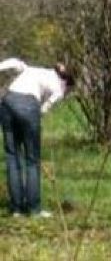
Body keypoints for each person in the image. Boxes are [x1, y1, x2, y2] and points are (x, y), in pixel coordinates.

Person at [0, 58, 75, 217]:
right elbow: (44, 109)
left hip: (7, 102)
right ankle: (34, 209)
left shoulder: (33, 69)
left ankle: (16, 209)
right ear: (66, 82)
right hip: (28, 105)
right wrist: (37, 114)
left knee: (13, 157)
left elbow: (14, 62)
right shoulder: (60, 89)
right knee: (32, 160)